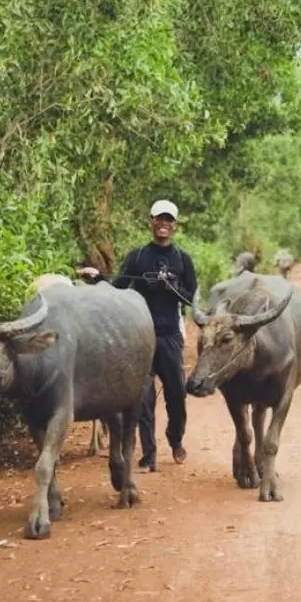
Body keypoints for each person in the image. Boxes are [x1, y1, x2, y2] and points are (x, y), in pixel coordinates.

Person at [106, 199, 198, 472]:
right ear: (151, 222)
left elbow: (192, 298)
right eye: (159, 219)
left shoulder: (183, 260)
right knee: (143, 398)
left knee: (176, 396)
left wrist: (173, 287)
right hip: (141, 337)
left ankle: (175, 438)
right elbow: (118, 287)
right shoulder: (137, 257)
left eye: (169, 220)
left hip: (170, 335)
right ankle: (148, 455)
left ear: (175, 226)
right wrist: (97, 278)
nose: (164, 224)